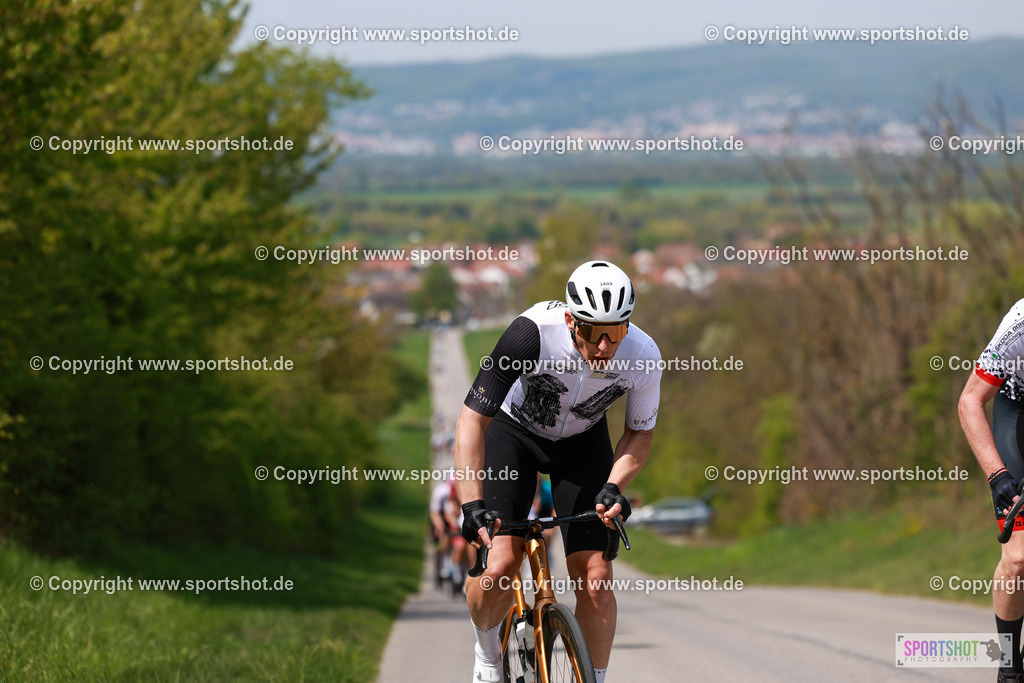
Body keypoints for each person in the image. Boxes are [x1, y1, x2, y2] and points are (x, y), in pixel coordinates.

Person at [454, 260, 662, 683]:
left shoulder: (643, 356)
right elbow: (472, 420)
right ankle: (487, 653)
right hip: (514, 435)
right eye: (591, 332)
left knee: (597, 577)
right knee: (499, 567)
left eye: (616, 332)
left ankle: (593, 678)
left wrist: (614, 487)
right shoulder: (530, 334)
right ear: (570, 320)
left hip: (583, 443)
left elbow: (639, 434)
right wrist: (471, 503)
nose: (604, 346)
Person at [959, 298, 1024, 682]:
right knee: (1018, 559)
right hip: (1017, 412)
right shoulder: (1020, 324)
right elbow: (970, 400)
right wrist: (998, 475)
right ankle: (1009, 666)